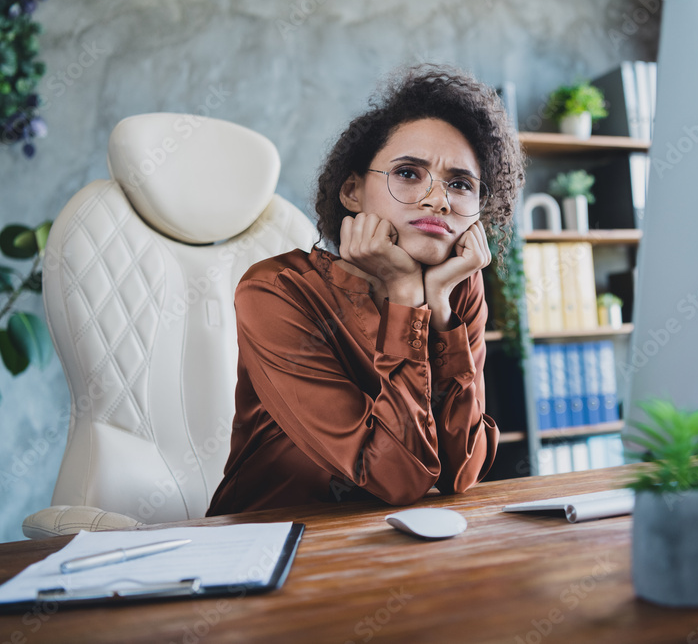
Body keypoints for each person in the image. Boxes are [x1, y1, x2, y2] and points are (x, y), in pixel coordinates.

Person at [207, 64, 524, 514]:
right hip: (274, 542)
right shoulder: (274, 292)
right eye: (409, 173)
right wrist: (404, 294)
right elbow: (396, 476)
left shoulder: (456, 287)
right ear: (353, 191)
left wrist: (438, 310)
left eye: (460, 184)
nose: (438, 199)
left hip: (390, 545)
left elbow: (464, 469)